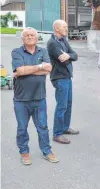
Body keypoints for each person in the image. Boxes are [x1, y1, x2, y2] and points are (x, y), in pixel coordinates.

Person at [11, 27, 59, 165]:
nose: (30, 37)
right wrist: (39, 67)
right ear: (22, 39)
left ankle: (47, 151)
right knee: (22, 127)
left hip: (39, 97)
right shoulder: (17, 52)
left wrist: (25, 71)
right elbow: (20, 70)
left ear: (37, 38)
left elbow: (48, 69)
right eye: (27, 35)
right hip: (21, 99)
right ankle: (24, 152)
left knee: (42, 127)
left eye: (33, 35)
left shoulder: (43, 51)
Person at [47, 20, 79, 144]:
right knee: (61, 106)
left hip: (67, 77)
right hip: (59, 78)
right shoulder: (52, 43)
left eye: (66, 26)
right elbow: (64, 61)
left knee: (68, 104)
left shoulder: (63, 40)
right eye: (64, 27)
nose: (67, 29)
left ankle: (65, 128)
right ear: (56, 29)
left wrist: (69, 55)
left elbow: (75, 55)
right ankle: (57, 134)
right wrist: (69, 57)